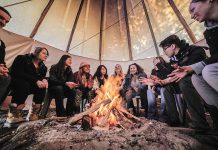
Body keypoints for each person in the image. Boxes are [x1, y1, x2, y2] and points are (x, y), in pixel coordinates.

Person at [169, 0, 218, 131]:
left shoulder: (194, 50)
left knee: (205, 72)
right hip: (198, 75)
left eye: (193, 9)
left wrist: (192, 68)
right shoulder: (209, 32)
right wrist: (162, 81)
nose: (191, 16)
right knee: (196, 78)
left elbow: (210, 63)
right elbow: (215, 58)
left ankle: (200, 123)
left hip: (207, 73)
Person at [7, 47, 49, 123]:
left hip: (30, 84)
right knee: (24, 85)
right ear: (36, 52)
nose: (46, 55)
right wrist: (36, 80)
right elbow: (18, 72)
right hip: (17, 80)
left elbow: (41, 77)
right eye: (43, 53)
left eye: (47, 54)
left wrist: (44, 80)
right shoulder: (22, 58)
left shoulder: (43, 67)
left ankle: (33, 114)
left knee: (42, 87)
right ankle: (13, 115)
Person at [146, 57, 167, 122]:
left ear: (161, 62)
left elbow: (165, 80)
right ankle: (152, 115)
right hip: (156, 88)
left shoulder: (165, 69)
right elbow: (152, 82)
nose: (155, 63)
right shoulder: (153, 70)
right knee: (149, 91)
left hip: (165, 87)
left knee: (163, 90)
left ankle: (162, 115)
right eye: (154, 62)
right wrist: (152, 88)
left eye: (156, 62)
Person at [0, 6, 11, 106]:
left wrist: (4, 68)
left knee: (7, 77)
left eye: (6, 21)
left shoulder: (1, 43)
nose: (3, 23)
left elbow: (1, 60)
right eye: (1, 18)